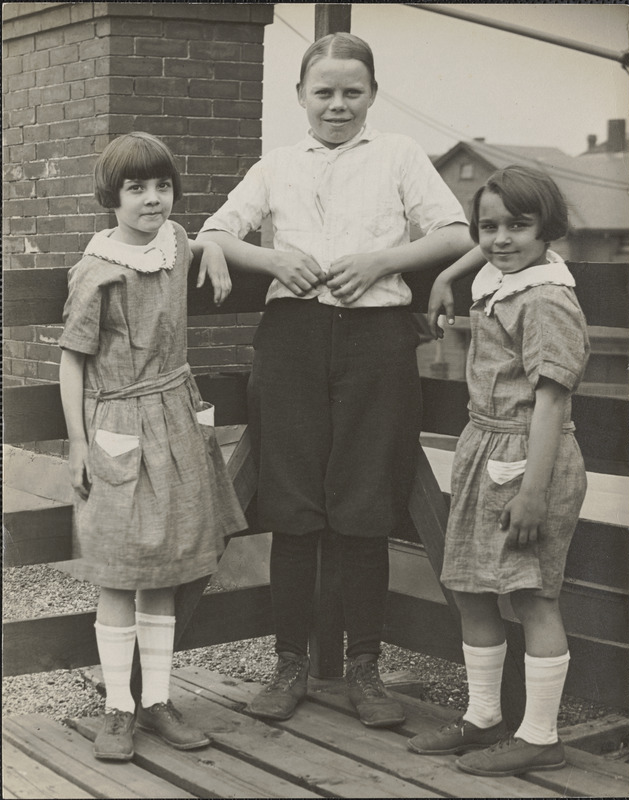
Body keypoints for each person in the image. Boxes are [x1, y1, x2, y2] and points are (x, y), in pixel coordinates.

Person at [196, 33, 472, 728]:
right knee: (290, 507)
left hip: (376, 344)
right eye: (324, 92)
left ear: (373, 95)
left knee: (365, 508)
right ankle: (289, 666)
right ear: (300, 97)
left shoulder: (400, 156)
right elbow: (215, 230)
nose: (338, 105)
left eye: (353, 92)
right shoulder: (277, 164)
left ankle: (365, 671)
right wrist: (270, 259)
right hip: (291, 343)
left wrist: (385, 262)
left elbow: (456, 232)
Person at [59, 131, 247, 761]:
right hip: (117, 425)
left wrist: (216, 248)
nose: (153, 199)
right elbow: (71, 363)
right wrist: (78, 443)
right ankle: (118, 708)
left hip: (176, 417)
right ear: (110, 197)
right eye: (136, 188)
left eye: (162, 186)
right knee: (119, 571)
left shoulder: (179, 243)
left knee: (166, 565)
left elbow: (210, 234)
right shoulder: (97, 273)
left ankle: (159, 699)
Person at [407, 165, 590, 776]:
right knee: (470, 585)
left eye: (519, 225)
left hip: (528, 457)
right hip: (484, 447)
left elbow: (552, 399)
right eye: (489, 227)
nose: (502, 239)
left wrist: (534, 492)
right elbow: (483, 257)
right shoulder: (500, 277)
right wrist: (446, 272)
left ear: (549, 230)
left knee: (532, 594)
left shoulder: (545, 300)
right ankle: (484, 717)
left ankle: (540, 735)